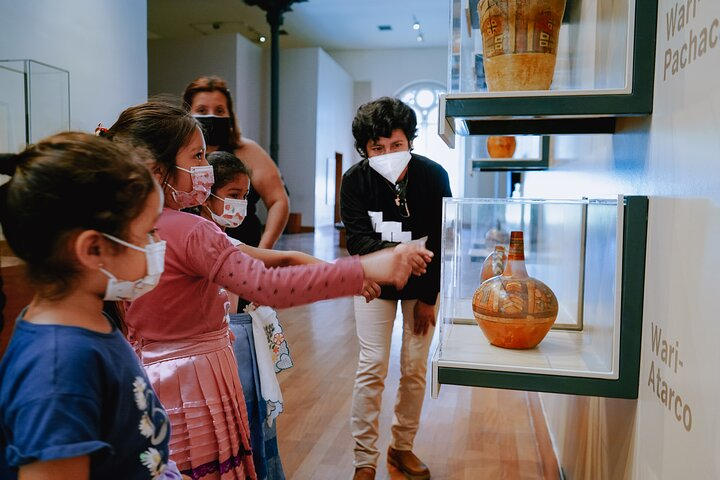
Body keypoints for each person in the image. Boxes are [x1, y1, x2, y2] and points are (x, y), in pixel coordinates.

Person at [104, 100, 433, 480]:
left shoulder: (124, 227)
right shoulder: (193, 231)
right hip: (194, 379)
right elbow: (269, 286)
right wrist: (363, 268)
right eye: (197, 157)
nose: (205, 169)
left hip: (145, 375)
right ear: (156, 170)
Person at [0, 132, 184, 479]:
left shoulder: (88, 323)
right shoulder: (59, 367)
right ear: (93, 250)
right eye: (148, 231)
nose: (158, 243)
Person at [340, 97, 453, 480]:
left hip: (422, 286)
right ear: (365, 150)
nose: (388, 153)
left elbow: (442, 240)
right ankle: (364, 460)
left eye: (396, 145)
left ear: (410, 142)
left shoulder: (434, 176)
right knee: (371, 366)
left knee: (414, 368)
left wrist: (429, 298)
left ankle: (402, 447)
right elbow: (357, 238)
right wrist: (382, 263)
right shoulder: (354, 181)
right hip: (372, 283)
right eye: (378, 148)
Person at [183, 76, 288, 249]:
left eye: (219, 110)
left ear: (230, 115)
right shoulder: (177, 154)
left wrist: (264, 249)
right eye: (201, 110)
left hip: (245, 249)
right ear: (187, 115)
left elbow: (278, 200)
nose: (211, 116)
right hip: (191, 250)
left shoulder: (248, 151)